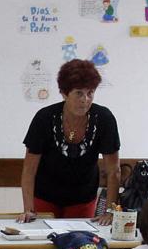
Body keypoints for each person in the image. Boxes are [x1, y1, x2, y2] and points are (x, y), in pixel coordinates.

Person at [18, 59, 121, 225]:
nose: (85, 99)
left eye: (90, 93)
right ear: (65, 93)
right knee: (44, 244)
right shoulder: (44, 118)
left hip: (83, 197)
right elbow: (29, 170)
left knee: (79, 244)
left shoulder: (104, 119)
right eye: (79, 93)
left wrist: (110, 211)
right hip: (45, 195)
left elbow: (114, 171)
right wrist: (28, 209)